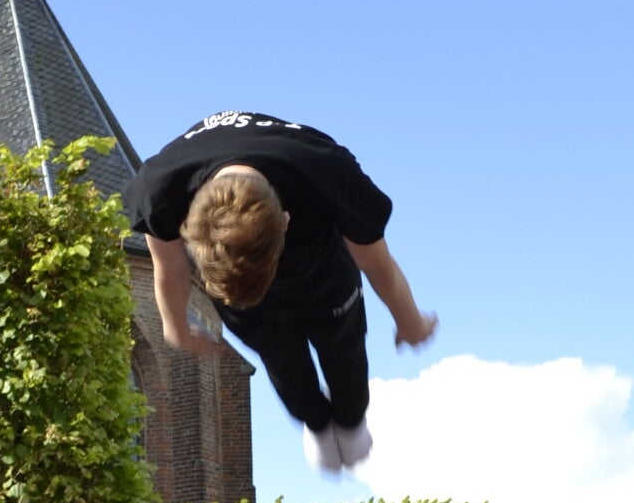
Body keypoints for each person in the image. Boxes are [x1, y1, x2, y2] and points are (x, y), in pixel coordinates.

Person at [124, 112, 437, 475]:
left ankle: (351, 422)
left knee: (344, 355)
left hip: (324, 278)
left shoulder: (328, 170)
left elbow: (376, 262)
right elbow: (170, 268)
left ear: (287, 220)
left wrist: (409, 320)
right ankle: (316, 423)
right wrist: (175, 326)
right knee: (284, 364)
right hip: (238, 298)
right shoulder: (159, 190)